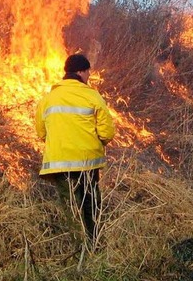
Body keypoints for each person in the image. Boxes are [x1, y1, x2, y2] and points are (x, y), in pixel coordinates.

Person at [35, 54, 116, 245]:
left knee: (72, 207)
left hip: (61, 165)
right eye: (88, 72)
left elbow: (41, 132)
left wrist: (59, 142)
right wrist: (96, 143)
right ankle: (94, 244)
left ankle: (79, 249)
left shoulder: (48, 99)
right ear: (81, 71)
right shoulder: (92, 96)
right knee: (91, 205)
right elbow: (107, 132)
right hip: (87, 163)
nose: (89, 76)